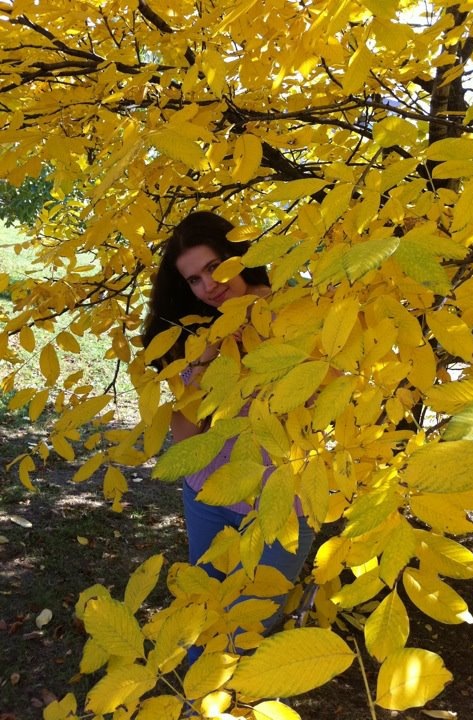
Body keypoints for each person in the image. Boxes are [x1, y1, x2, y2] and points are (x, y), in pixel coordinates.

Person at [142, 211, 315, 651]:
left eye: (215, 267)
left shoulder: (295, 312)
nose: (209, 285)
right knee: (201, 618)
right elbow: (186, 439)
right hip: (208, 496)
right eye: (194, 279)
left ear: (239, 256)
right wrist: (209, 355)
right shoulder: (191, 334)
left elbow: (318, 405)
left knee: (243, 634)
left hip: (280, 504)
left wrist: (264, 321)